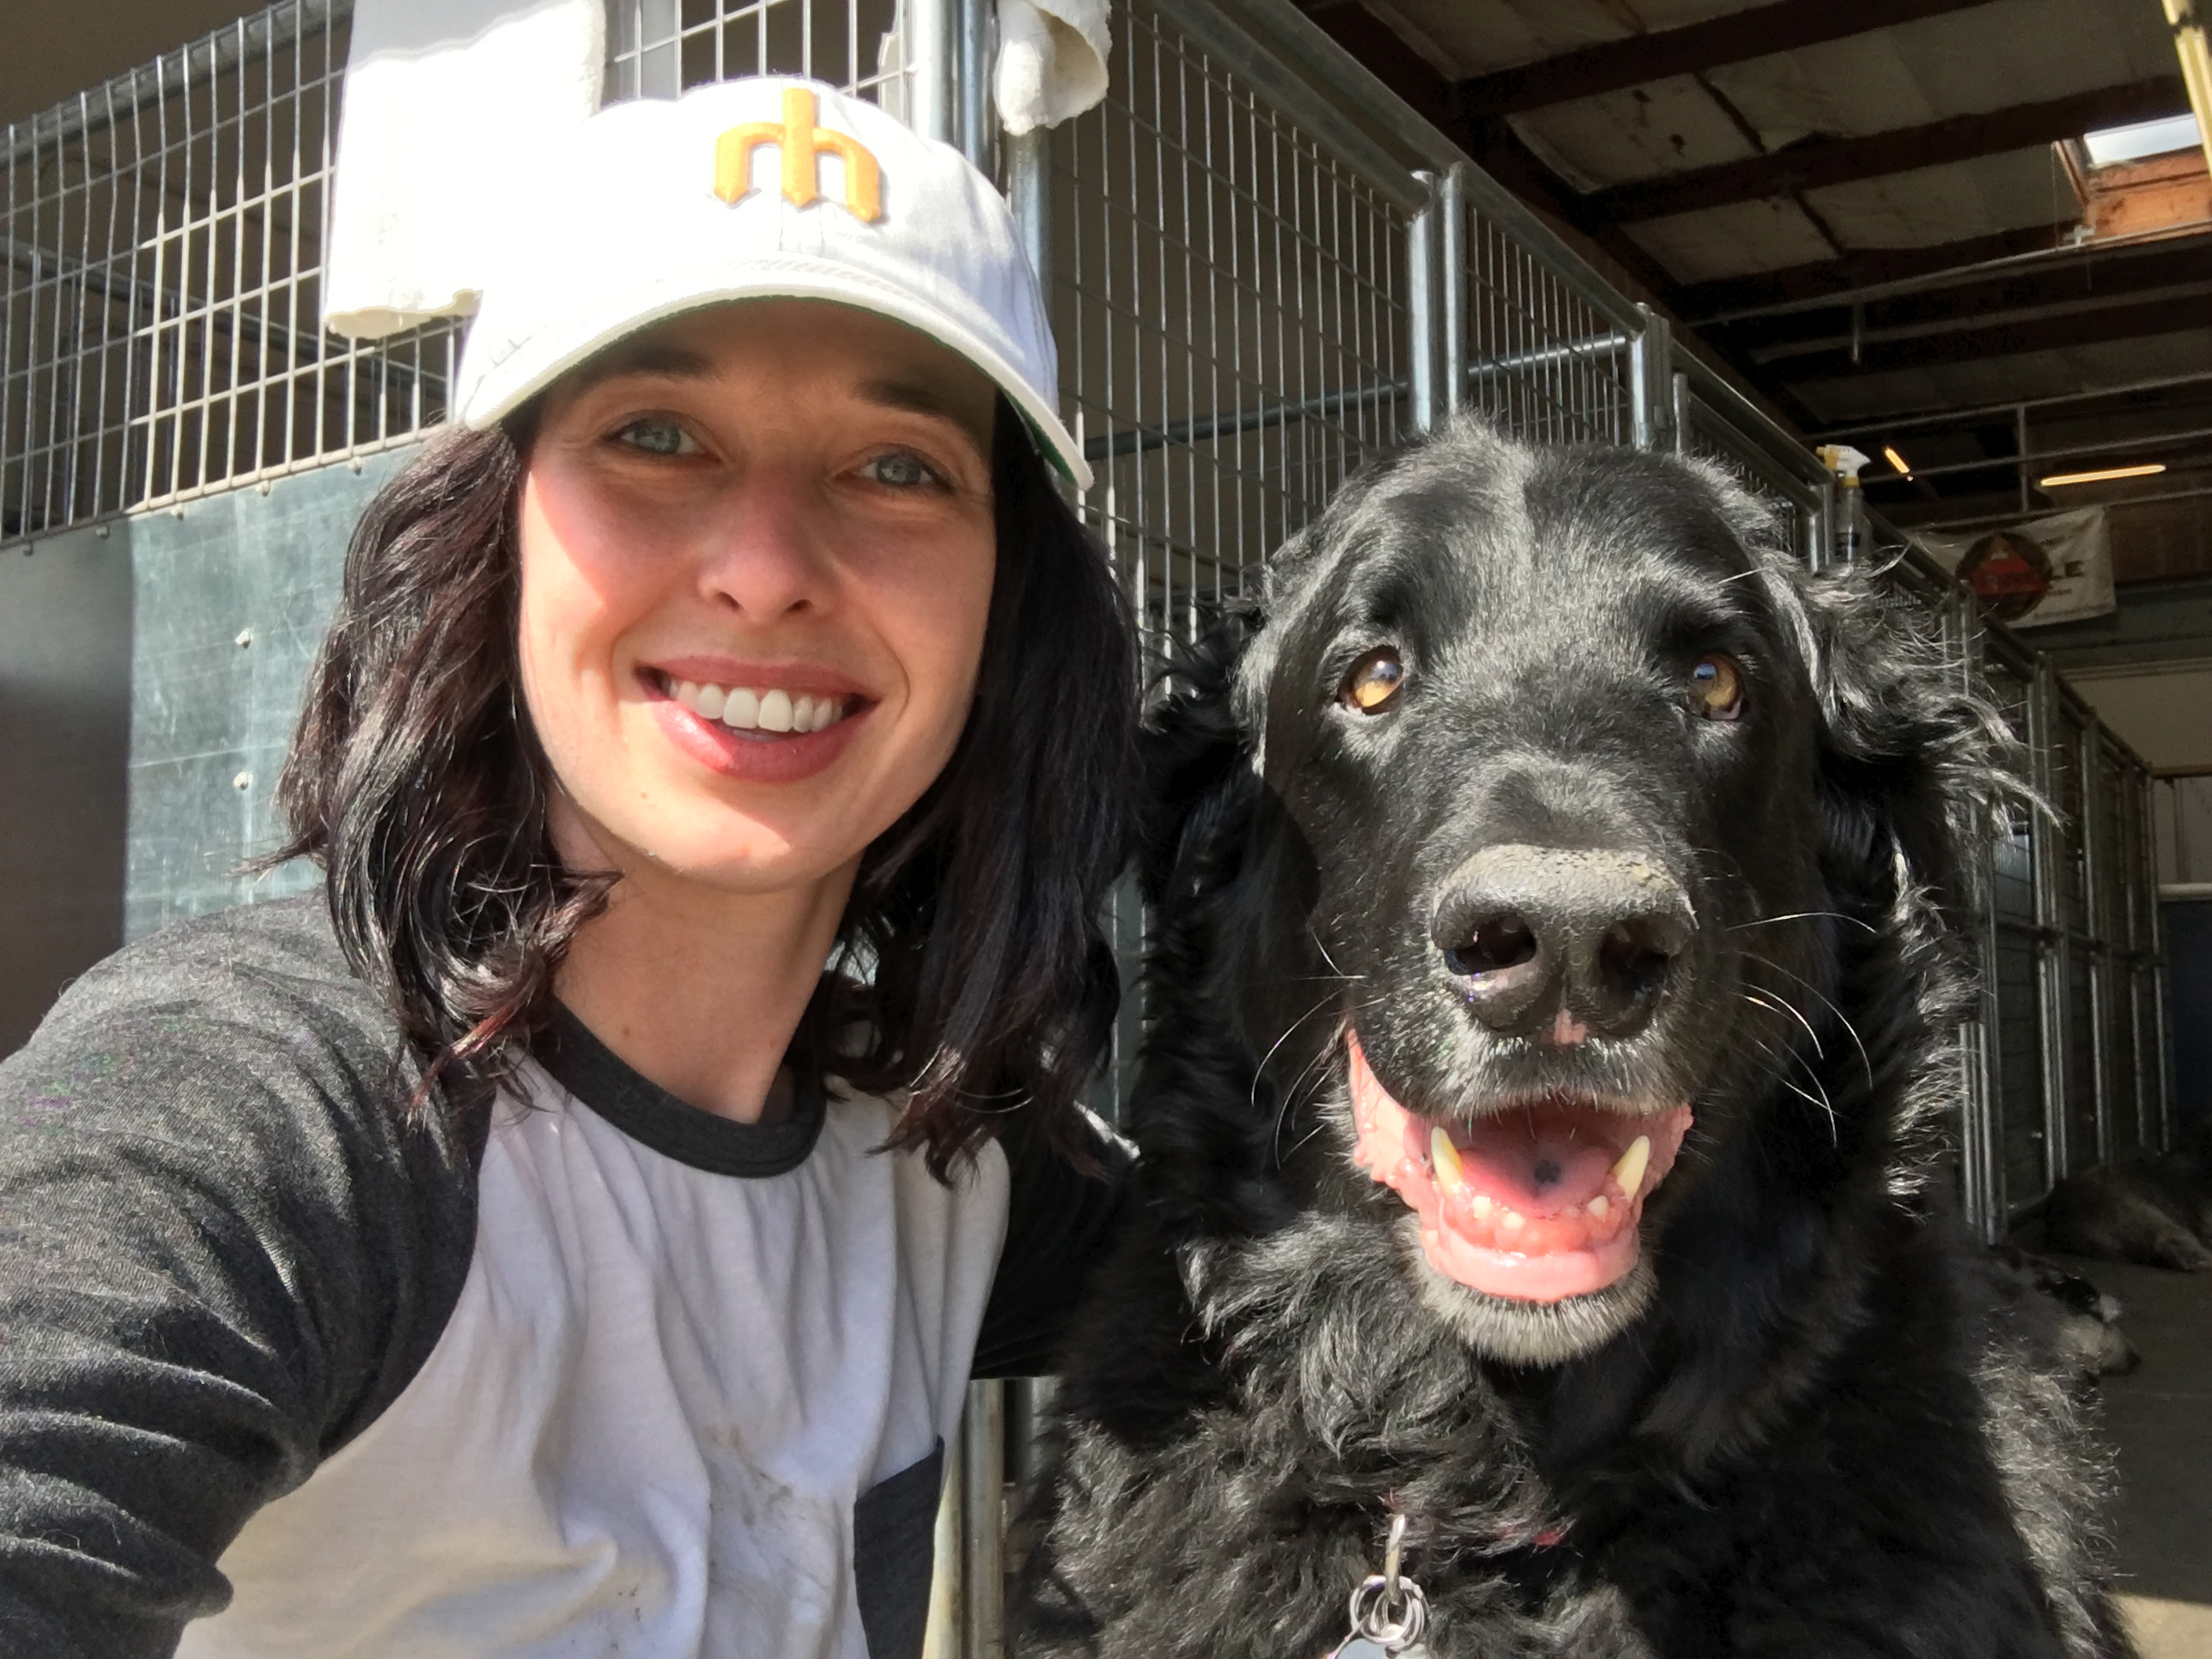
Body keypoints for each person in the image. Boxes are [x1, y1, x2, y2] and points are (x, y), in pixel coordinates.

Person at [0, 76, 1137, 1658]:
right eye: (654, 437)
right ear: (494, 538)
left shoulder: (944, 1166)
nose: (763, 572)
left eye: (896, 467)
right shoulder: (266, 1100)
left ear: (1011, 614)